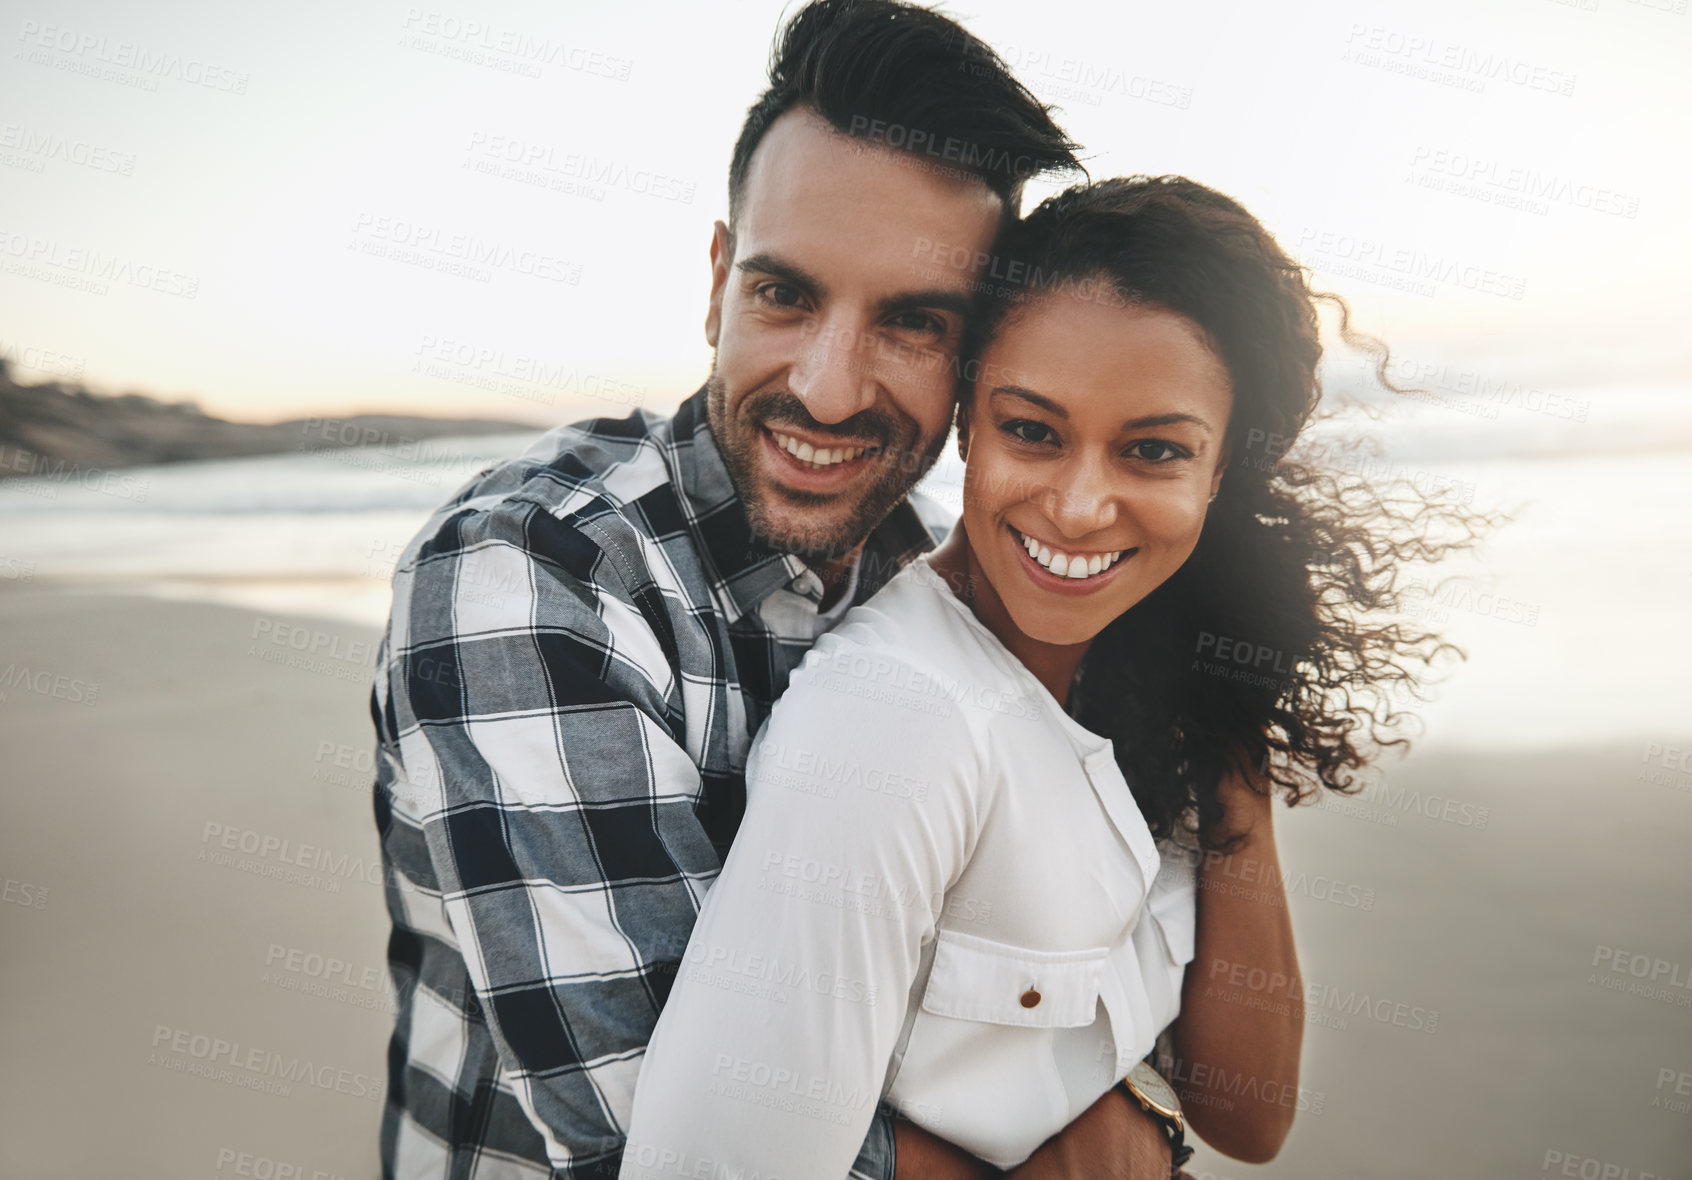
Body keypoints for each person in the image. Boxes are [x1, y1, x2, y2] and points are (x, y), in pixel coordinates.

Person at [363, 1, 1220, 1176]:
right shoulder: (528, 576)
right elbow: (651, 1126)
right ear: (719, 281)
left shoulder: (941, 572)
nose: (825, 390)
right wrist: (1071, 1156)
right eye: (785, 295)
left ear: (976, 362)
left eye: (913, 322)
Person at [619, 176, 1475, 1178]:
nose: (1077, 506)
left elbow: (1248, 1114)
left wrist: (1232, 734)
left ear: (1221, 472)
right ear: (967, 423)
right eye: (1032, 430)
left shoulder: (1158, 668)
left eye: (1153, 451)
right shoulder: (898, 725)